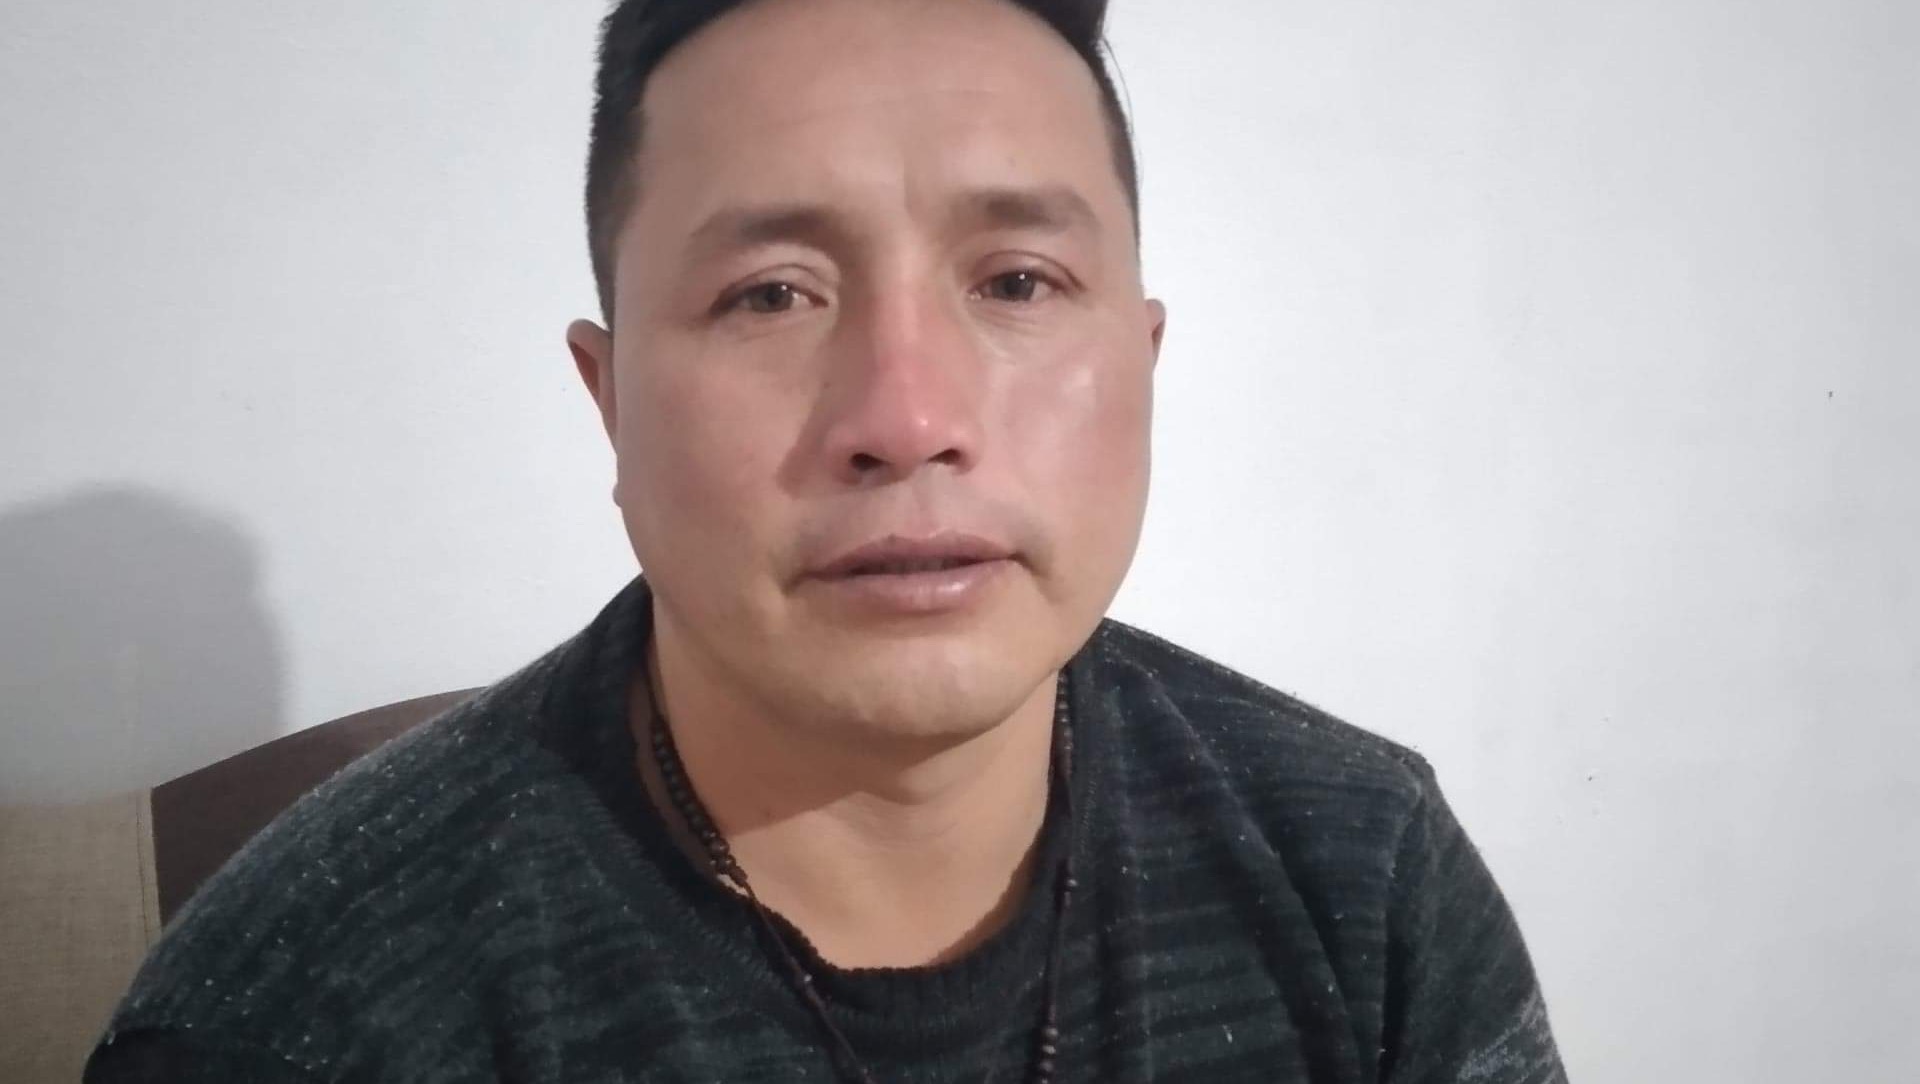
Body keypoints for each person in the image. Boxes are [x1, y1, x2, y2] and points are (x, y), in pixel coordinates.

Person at [85, 0, 1567, 1080]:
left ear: (1144, 359)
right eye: (771, 295)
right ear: (610, 403)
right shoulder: (305, 1017)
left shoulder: (1359, 874)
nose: (906, 417)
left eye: (1019, 281)